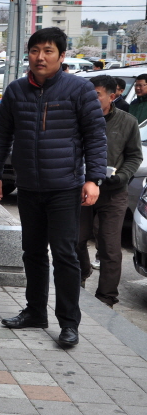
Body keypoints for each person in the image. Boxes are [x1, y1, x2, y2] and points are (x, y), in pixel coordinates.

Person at [0, 27, 106, 348]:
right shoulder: (15, 91)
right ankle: (35, 311)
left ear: (62, 55)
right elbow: (1, 136)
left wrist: (93, 179)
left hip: (65, 186)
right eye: (36, 50)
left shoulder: (79, 90)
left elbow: (96, 137)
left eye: (49, 51)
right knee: (33, 252)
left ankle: (69, 324)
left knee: (65, 255)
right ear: (29, 53)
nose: (41, 57)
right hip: (27, 186)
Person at [77, 75, 142, 307]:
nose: (90, 99)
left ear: (112, 96)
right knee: (75, 240)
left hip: (113, 192)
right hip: (81, 190)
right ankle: (80, 276)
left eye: (96, 95)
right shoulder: (78, 119)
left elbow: (135, 156)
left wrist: (122, 176)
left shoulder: (127, 122)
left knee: (109, 246)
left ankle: (106, 299)